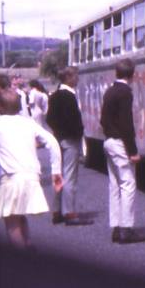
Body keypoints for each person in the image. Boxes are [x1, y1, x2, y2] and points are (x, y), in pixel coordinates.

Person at [0, 88, 62, 248]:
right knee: (20, 216)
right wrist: (56, 171)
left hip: (11, 177)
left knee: (11, 220)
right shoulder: (28, 123)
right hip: (32, 176)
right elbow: (53, 143)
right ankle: (27, 246)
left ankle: (23, 259)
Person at [101, 59, 145, 244]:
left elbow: (103, 120)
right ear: (132, 74)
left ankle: (115, 228)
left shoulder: (110, 91)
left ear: (116, 72)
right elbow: (126, 124)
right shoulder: (125, 92)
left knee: (114, 185)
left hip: (108, 141)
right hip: (120, 143)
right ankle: (126, 229)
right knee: (128, 184)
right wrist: (133, 151)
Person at [46, 66, 92, 226]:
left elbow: (49, 118)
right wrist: (77, 132)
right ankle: (69, 213)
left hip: (58, 138)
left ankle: (56, 210)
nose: (78, 79)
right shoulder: (70, 97)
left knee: (59, 175)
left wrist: (58, 131)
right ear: (69, 78)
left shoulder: (55, 95)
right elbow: (73, 120)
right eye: (76, 76)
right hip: (70, 140)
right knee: (70, 177)